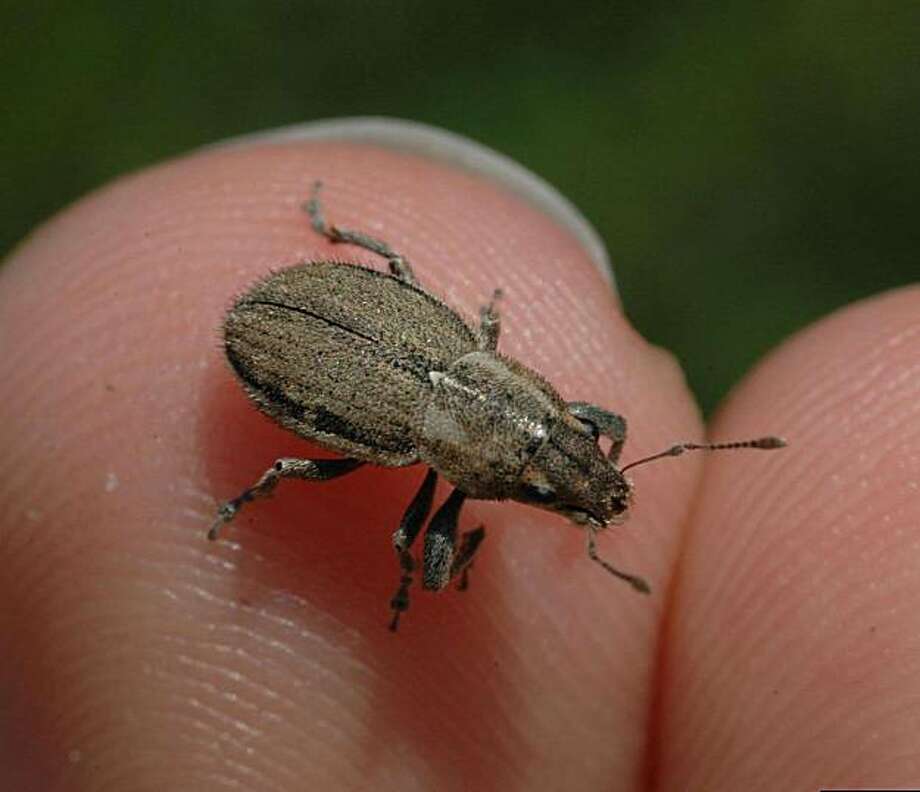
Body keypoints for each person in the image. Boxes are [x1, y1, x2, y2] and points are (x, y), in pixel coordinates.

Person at [2, 120, 916, 790]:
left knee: (405, 269)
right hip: (291, 354)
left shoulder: (536, 413)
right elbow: (422, 549)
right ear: (489, 474)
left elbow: (601, 436)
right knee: (400, 548)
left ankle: (333, 229)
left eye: (563, 456)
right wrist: (437, 561)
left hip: (402, 349)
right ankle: (261, 481)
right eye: (547, 478)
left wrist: (583, 482)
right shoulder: (422, 450)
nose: (579, 472)